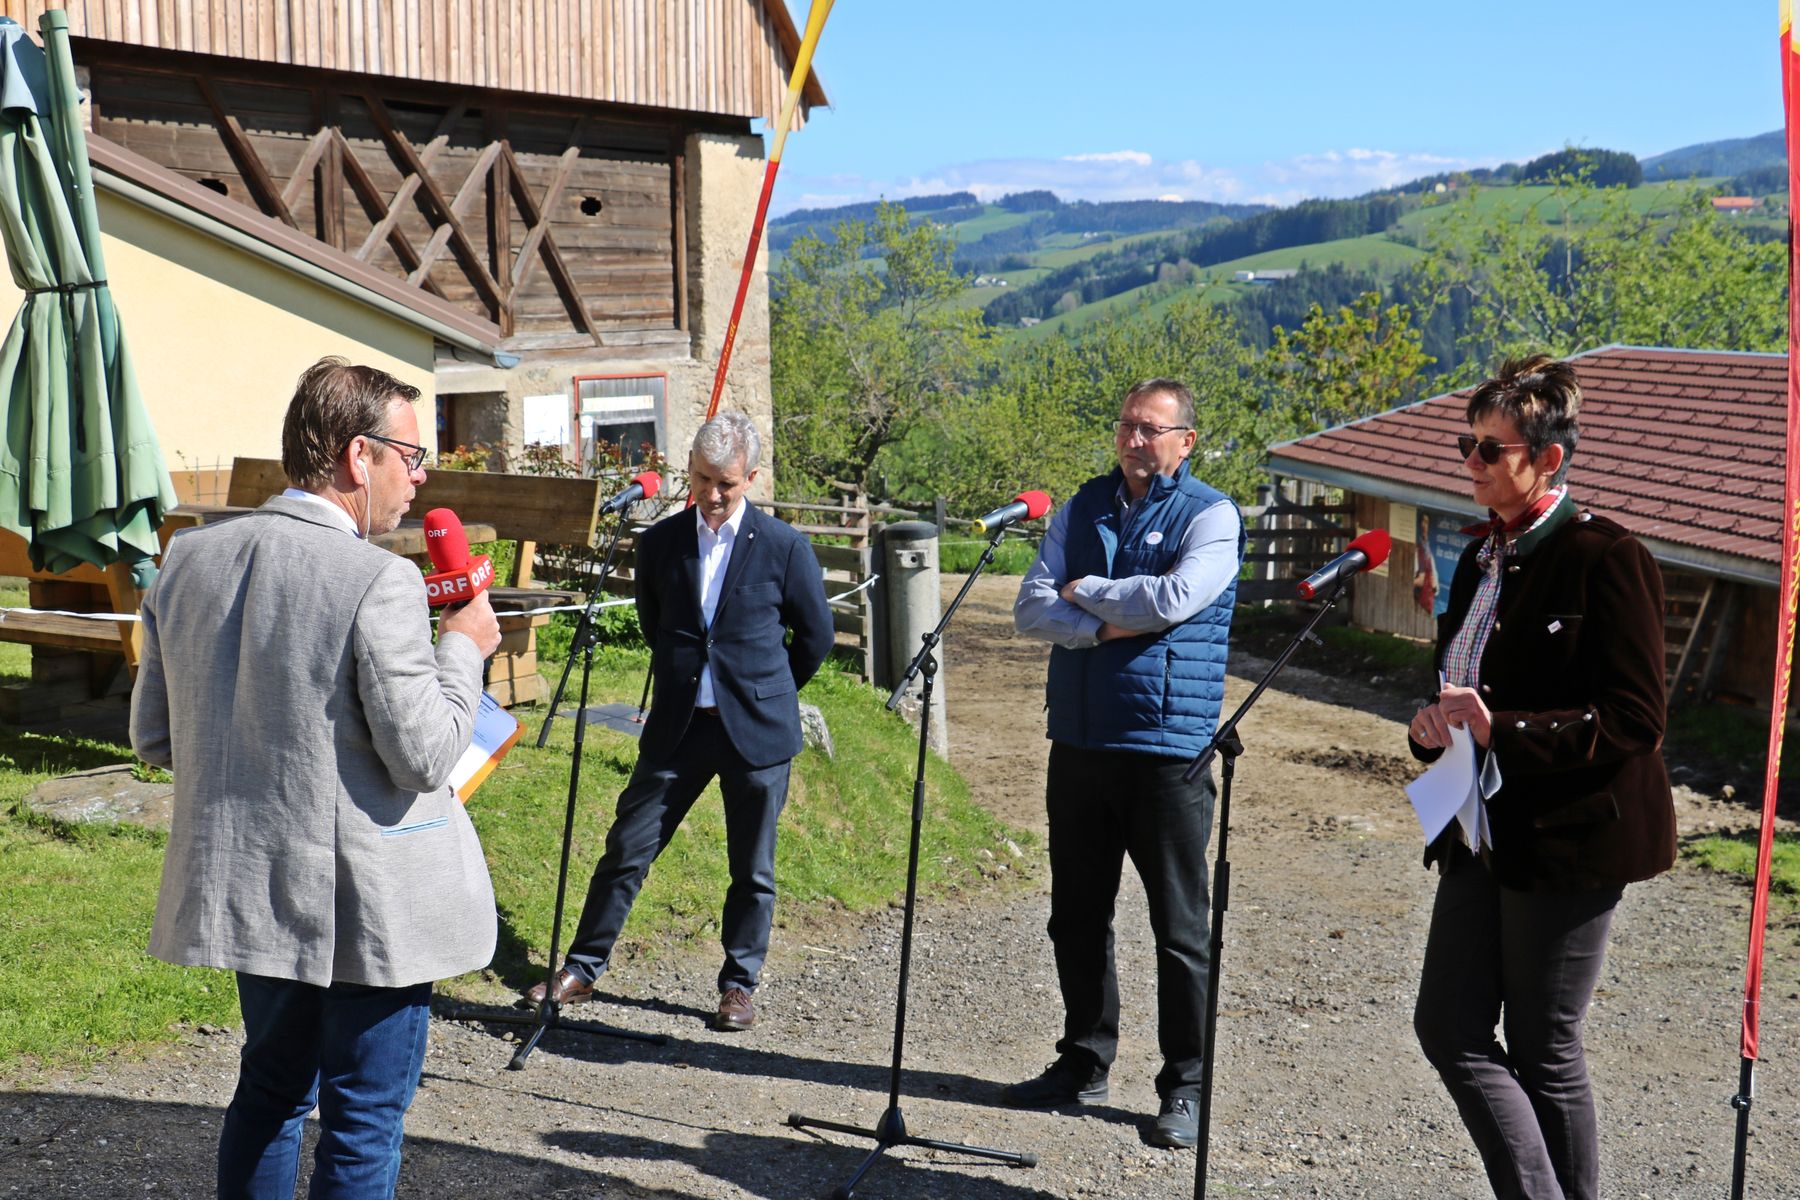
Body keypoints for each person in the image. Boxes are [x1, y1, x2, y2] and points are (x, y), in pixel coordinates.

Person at [131, 357, 503, 1198]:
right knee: (363, 1119)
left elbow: (156, 737)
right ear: (353, 456)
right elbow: (426, 754)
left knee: (268, 1095)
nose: (420, 478)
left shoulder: (187, 559)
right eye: (411, 456)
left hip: (253, 886)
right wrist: (464, 649)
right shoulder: (380, 578)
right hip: (368, 908)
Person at [1406, 355, 1675, 1200]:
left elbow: (1637, 719)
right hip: (1479, 831)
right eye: (1467, 445)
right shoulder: (1478, 557)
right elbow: (1463, 680)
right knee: (1448, 1026)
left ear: (1547, 458)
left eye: (1490, 449)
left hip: (1572, 837)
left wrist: (1506, 730)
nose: (1471, 463)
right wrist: (1431, 727)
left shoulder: (1606, 555)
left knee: (1542, 1046)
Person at [524, 411, 834, 1032]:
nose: (712, 496)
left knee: (752, 867)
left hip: (756, 731)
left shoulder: (783, 546)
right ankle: (583, 968)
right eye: (700, 480)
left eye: (726, 483)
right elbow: (654, 623)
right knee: (628, 846)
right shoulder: (659, 543)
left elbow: (816, 637)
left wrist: (767, 694)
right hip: (678, 727)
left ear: (750, 477)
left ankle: (738, 986)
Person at [1007, 377, 1245, 1149]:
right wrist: (1102, 627)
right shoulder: (1080, 507)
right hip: (1077, 743)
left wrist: (1086, 593)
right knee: (1076, 916)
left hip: (1167, 751)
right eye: (1127, 426)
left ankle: (1186, 1086)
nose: (1135, 440)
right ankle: (1083, 1062)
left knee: (1180, 930)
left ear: (1186, 441)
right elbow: (1029, 608)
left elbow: (1174, 599)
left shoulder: (1212, 513)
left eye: (1152, 429)